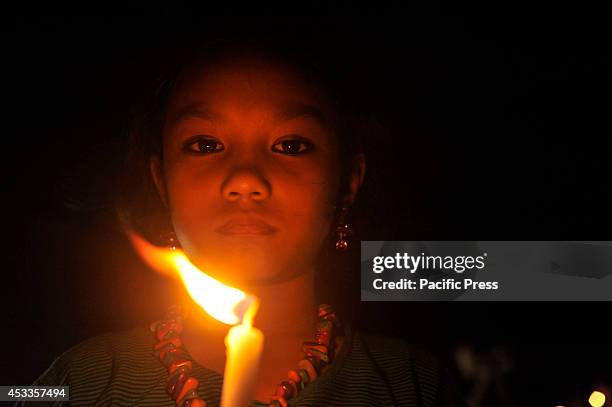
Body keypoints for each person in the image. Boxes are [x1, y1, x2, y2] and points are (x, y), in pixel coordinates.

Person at [20, 34, 467, 406]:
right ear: (162, 181)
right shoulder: (80, 382)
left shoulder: (414, 385)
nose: (246, 179)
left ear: (348, 183)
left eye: (291, 145)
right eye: (205, 145)